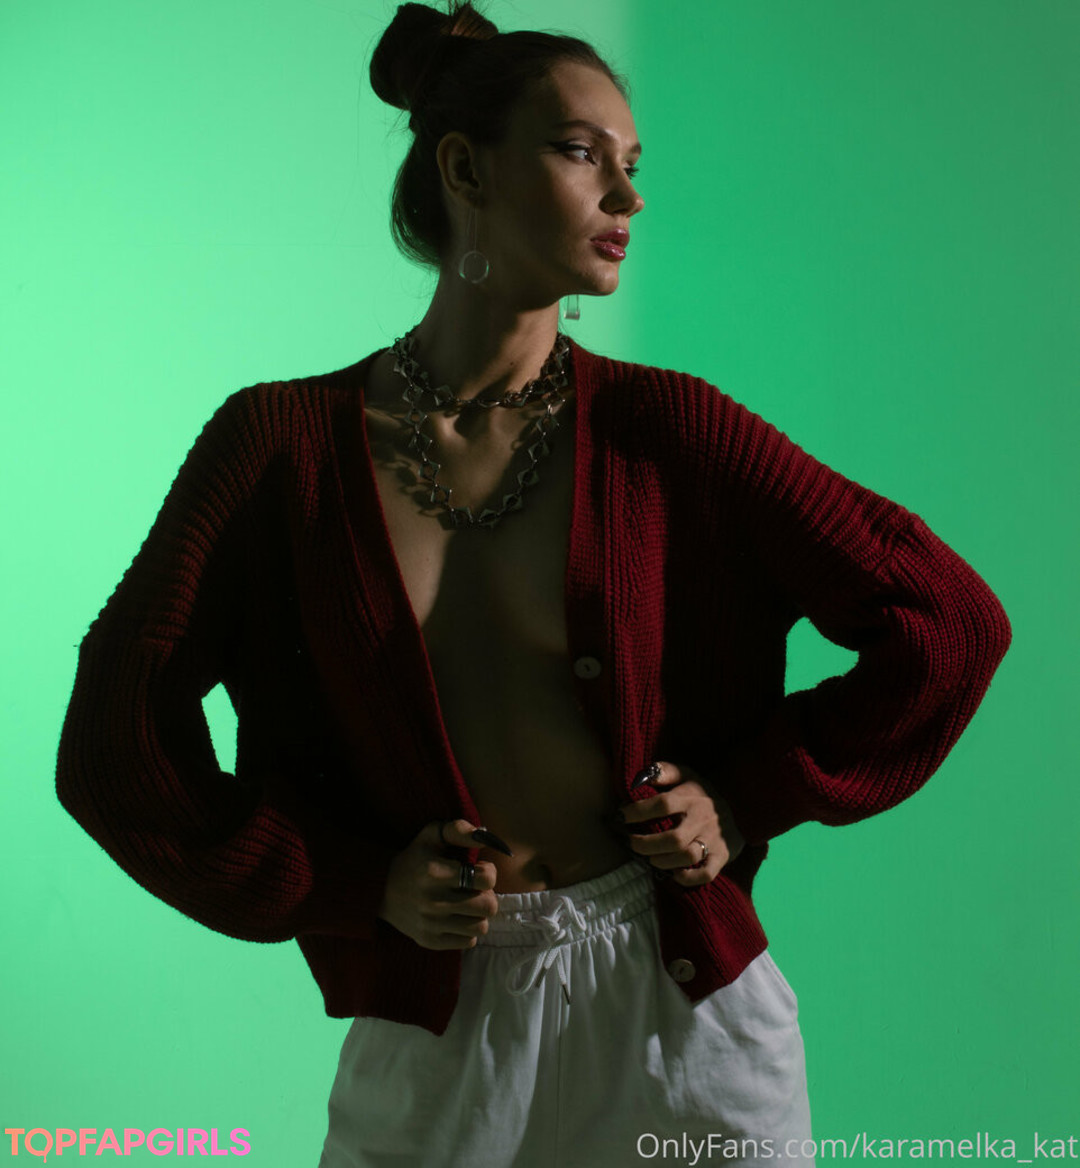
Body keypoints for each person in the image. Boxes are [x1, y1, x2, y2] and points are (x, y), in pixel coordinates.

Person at [55, 2, 1012, 1166]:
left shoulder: (673, 430)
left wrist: (743, 796)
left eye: (634, 162)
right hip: (439, 1028)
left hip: (684, 1020)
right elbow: (116, 736)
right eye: (580, 152)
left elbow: (948, 622)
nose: (628, 196)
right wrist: (353, 884)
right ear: (465, 169)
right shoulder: (279, 448)